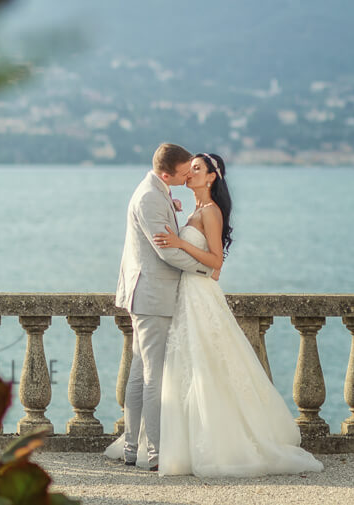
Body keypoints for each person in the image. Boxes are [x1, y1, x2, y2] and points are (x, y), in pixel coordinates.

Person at [107, 152, 323, 478]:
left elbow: (216, 262)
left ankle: (189, 445)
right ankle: (159, 443)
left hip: (197, 294)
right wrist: (179, 222)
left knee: (204, 369)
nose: (190, 174)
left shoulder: (211, 211)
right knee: (178, 371)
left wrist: (180, 241)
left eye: (196, 169)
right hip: (179, 296)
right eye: (188, 168)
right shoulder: (189, 208)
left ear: (211, 177)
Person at [112, 142, 214, 472]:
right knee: (152, 375)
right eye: (184, 173)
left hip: (147, 293)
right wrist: (205, 271)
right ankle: (154, 454)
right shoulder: (149, 197)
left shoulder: (156, 191)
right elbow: (167, 252)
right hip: (152, 296)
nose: (188, 177)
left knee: (141, 373)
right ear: (165, 173)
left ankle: (132, 449)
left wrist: (171, 208)